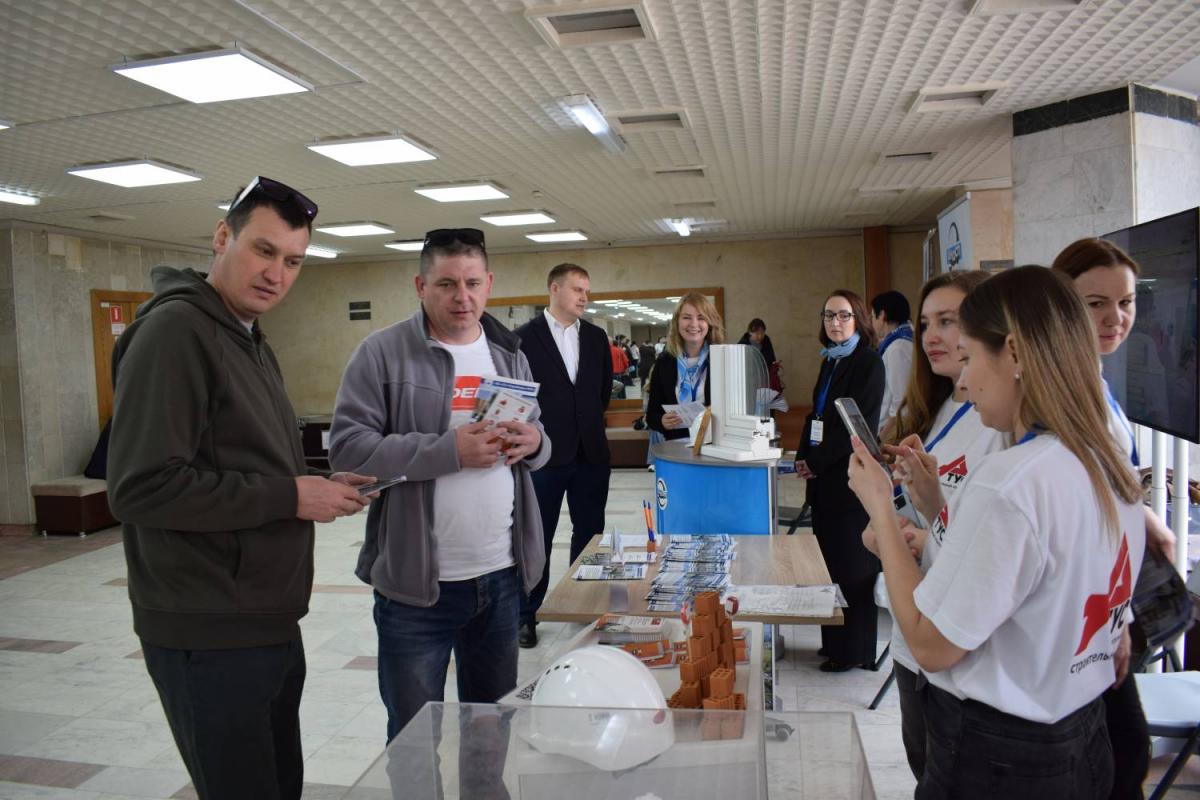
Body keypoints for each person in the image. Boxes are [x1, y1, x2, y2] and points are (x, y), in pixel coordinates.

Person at [107, 176, 373, 800]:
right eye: (263, 250)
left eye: (293, 261)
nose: (276, 274)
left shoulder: (247, 337)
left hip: (264, 618)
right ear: (222, 236)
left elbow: (242, 458)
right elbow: (141, 487)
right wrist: (292, 497)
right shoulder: (175, 332)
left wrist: (316, 482)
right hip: (208, 629)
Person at [847, 265, 1146, 799]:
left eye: (968, 358)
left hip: (1001, 759)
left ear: (1013, 353)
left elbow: (931, 644)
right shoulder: (1105, 460)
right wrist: (934, 502)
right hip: (1082, 734)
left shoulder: (1010, 481)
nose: (962, 383)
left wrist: (881, 513)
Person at [327, 228, 550, 741]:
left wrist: (536, 442)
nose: (461, 297)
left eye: (472, 283)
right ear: (420, 286)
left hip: (501, 576)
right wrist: (449, 451)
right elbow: (349, 448)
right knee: (413, 740)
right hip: (416, 589)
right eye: (446, 284)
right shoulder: (382, 352)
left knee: (490, 730)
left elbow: (537, 433)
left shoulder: (509, 353)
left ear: (489, 283)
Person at [1053, 238, 1177, 800]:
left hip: (1103, 602)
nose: (1115, 318)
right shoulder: (1063, 391)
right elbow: (1077, 513)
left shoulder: (1093, 380)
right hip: (1089, 609)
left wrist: (1141, 510)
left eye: (1125, 302)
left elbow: (1107, 482)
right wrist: (1114, 619)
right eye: (1095, 303)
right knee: (1121, 755)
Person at [878, 270, 1003, 780]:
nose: (932, 336)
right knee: (922, 765)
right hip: (913, 622)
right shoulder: (936, 404)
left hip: (956, 645)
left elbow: (986, 539)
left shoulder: (999, 420)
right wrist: (897, 516)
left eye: (948, 321)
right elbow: (938, 512)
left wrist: (912, 527)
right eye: (926, 323)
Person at [515, 263, 612, 648]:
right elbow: (520, 398)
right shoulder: (524, 338)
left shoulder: (596, 337)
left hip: (591, 453)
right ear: (554, 289)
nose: (584, 297)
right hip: (544, 456)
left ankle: (582, 605)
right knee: (537, 536)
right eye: (577, 290)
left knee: (590, 535)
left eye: (587, 290)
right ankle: (526, 614)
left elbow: (602, 391)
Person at [795, 289, 885, 671]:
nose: (835, 322)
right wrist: (802, 454)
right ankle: (833, 642)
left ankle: (853, 652)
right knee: (827, 566)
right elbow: (816, 417)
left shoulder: (868, 363)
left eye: (844, 315)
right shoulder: (830, 360)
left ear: (858, 319)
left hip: (849, 480)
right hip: (824, 481)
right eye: (829, 315)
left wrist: (816, 461)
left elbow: (855, 428)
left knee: (852, 566)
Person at [646, 292, 726, 441]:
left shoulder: (723, 359)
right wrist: (662, 421)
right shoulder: (664, 362)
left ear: (710, 323)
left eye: (701, 317)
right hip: (676, 445)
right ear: (677, 322)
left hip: (714, 444)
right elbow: (652, 415)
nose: (694, 324)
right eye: (686, 317)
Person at [871, 290, 914, 435]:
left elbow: (901, 401)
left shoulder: (897, 348)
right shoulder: (906, 339)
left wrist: (883, 436)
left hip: (892, 431)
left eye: (873, 316)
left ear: (882, 315)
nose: (872, 323)